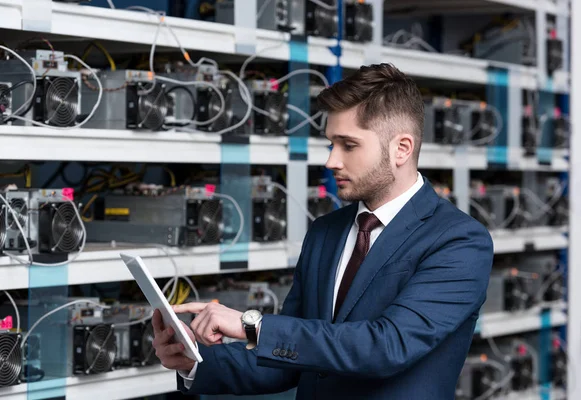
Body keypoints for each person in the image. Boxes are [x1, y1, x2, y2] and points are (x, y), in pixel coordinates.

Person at [151, 63, 494, 399]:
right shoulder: (326, 232)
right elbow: (287, 359)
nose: (331, 161)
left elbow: (387, 346)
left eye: (349, 145)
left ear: (401, 149)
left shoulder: (459, 242)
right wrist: (193, 363)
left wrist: (251, 325)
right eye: (331, 144)